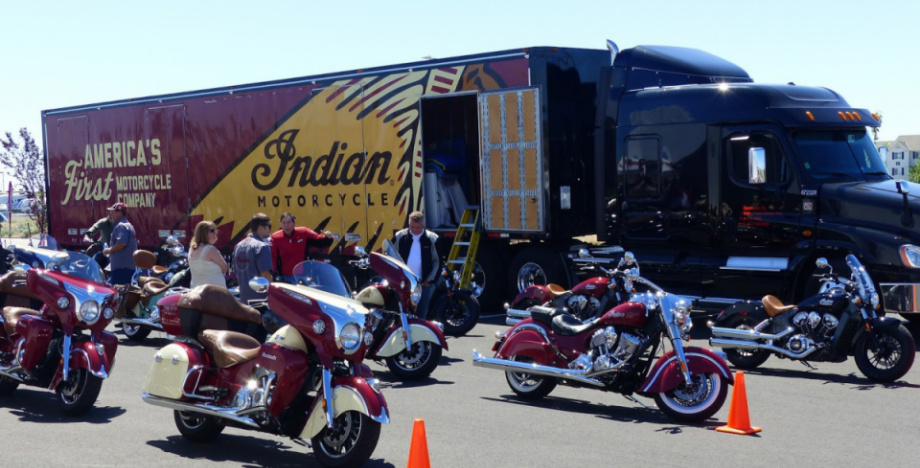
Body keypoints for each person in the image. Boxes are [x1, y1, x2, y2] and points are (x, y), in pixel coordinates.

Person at [393, 211, 440, 319]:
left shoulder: (432, 239)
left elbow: (437, 261)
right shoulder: (400, 236)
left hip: (423, 283)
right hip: (403, 282)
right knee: (401, 311)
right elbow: (392, 256)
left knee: (421, 312)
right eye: (412, 227)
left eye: (418, 227)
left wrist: (429, 280)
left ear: (423, 225)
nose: (415, 230)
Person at [270, 212, 335, 283]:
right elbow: (273, 258)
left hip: (303, 275)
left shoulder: (303, 232)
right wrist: (274, 274)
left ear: (294, 223)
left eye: (289, 222)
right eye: (284, 223)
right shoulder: (275, 237)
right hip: (284, 276)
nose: (286, 225)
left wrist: (328, 238)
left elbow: (320, 241)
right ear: (280, 224)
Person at [233, 213, 273, 304]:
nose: (270, 230)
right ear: (261, 228)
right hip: (261, 300)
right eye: (268, 226)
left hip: (244, 298)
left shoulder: (238, 246)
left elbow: (237, 273)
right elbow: (266, 275)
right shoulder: (262, 246)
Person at [103, 202, 137, 285]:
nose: (110, 214)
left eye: (112, 212)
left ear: (119, 213)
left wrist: (108, 250)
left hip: (121, 269)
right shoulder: (128, 225)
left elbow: (122, 243)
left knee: (119, 293)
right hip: (127, 267)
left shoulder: (121, 226)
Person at [188, 221, 228, 288]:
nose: (215, 233)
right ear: (203, 233)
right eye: (212, 231)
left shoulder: (192, 249)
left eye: (215, 230)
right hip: (214, 291)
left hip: (196, 289)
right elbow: (224, 268)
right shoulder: (211, 249)